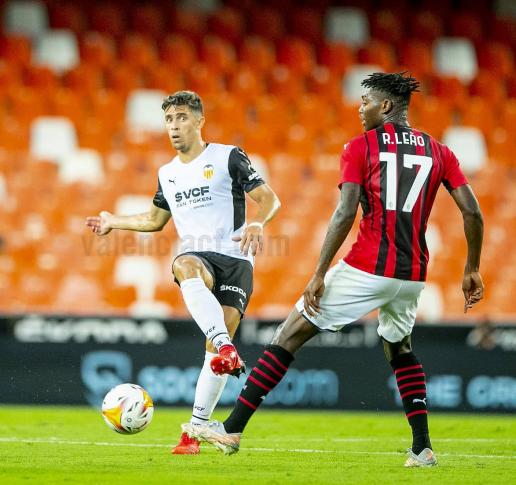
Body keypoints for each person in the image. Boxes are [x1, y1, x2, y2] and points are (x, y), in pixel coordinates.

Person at [184, 72, 484, 467]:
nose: (360, 109)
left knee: (289, 333)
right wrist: (472, 269)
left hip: (367, 266)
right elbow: (472, 212)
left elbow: (345, 212)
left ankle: (233, 427)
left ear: (387, 106)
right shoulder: (438, 151)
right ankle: (422, 448)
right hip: (412, 275)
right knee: (400, 347)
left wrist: (319, 272)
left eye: (366, 102)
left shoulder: (360, 147)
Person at [86, 91, 281, 454]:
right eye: (169, 120)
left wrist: (258, 223)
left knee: (212, 355)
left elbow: (270, 199)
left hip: (236, 261)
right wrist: (115, 222)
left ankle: (193, 432)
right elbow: (154, 220)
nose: (174, 127)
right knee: (183, 264)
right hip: (198, 256)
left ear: (199, 120)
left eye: (181, 118)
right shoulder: (168, 173)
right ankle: (226, 347)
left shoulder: (228, 156)